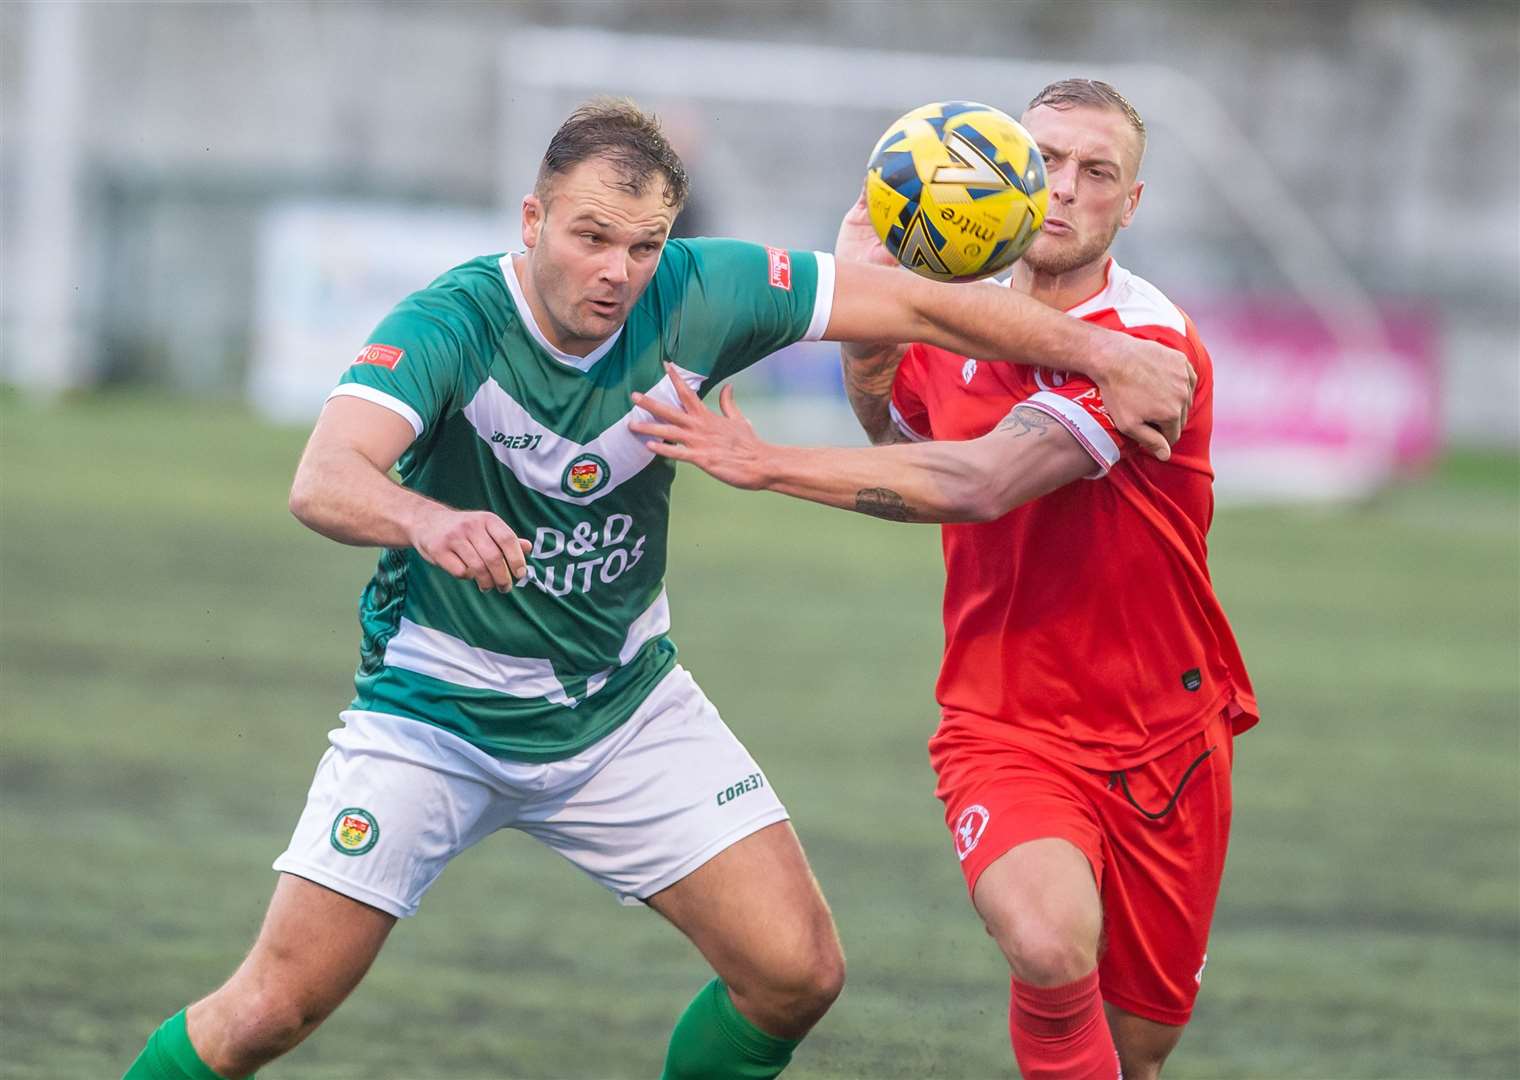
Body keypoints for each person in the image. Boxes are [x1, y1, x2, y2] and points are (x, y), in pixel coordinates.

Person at [124, 96, 1195, 1080]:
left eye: (642, 247)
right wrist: (427, 517)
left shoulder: (703, 288)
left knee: (794, 973)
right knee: (273, 1007)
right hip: (434, 717)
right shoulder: (448, 323)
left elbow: (921, 306)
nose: (615, 271)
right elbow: (323, 477)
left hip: (623, 710)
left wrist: (1097, 354)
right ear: (533, 218)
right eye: (590, 236)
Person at [630, 80, 1259, 1080]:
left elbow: (979, 482)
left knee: (1135, 1051)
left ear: (1128, 206)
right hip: (1001, 723)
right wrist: (870, 338)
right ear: (1005, 166)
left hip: (1163, 743)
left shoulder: (1143, 347)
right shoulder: (958, 318)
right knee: (1048, 946)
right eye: (1044, 160)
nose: (1062, 189)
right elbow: (897, 432)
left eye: (1095, 173)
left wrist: (764, 461)